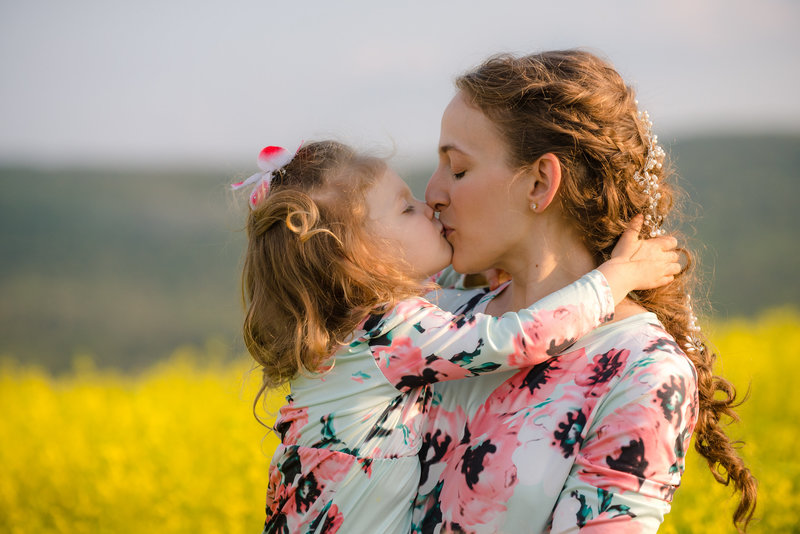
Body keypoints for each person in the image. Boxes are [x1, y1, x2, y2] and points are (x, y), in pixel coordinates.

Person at [234, 140, 680, 533]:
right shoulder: (390, 331)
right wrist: (613, 280)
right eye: (407, 209)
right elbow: (519, 337)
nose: (430, 205)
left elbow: (432, 287)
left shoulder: (352, 326)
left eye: (460, 169)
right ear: (360, 260)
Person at [413, 50, 758, 533]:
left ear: (540, 182)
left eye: (458, 169)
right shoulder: (434, 318)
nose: (432, 193)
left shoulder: (641, 371)